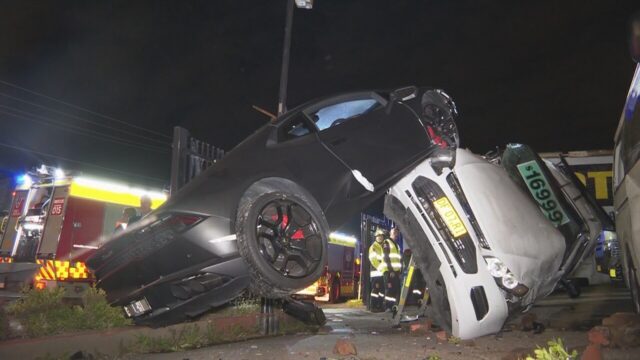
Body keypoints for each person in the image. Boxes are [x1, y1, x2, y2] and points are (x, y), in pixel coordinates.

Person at [384, 227, 402, 310]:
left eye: (397, 233)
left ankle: (394, 306)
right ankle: (388, 307)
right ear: (391, 233)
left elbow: (398, 258)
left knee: (396, 290)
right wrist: (390, 270)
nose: (396, 234)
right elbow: (386, 257)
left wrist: (400, 271)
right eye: (394, 232)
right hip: (391, 272)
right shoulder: (387, 242)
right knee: (390, 290)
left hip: (397, 271)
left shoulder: (397, 245)